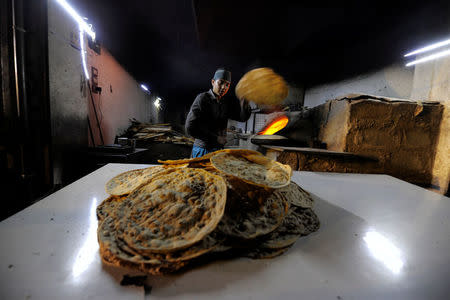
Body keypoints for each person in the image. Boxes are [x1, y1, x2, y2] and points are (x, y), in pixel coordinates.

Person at [185, 68, 251, 158]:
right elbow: (190, 128)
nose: (224, 87)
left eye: (227, 85)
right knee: (199, 172)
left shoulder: (224, 103)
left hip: (218, 150)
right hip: (203, 150)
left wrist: (245, 103)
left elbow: (242, 118)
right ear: (213, 82)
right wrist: (215, 138)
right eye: (221, 82)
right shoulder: (203, 99)